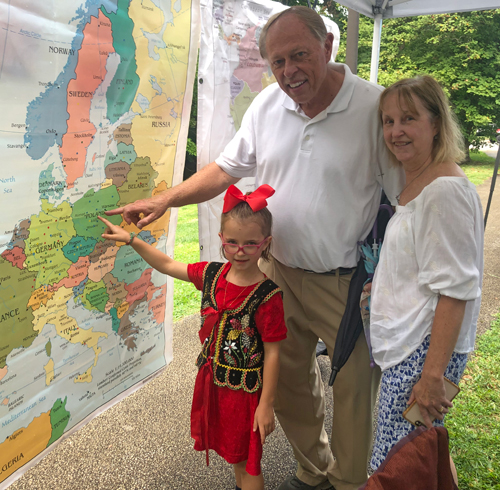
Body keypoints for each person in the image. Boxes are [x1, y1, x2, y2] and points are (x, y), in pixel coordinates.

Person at [106, 6, 404, 490]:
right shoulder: (268, 105)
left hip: (345, 283)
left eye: (299, 55)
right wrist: (164, 199)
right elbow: (224, 170)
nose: (288, 71)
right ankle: (314, 468)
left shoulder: (374, 108)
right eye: (278, 61)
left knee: (351, 392)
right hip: (277, 275)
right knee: (286, 386)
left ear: (328, 47)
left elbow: (404, 197)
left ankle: (349, 482)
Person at [99, 184, 287, 490]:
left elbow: (274, 352)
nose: (240, 251)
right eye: (233, 242)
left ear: (265, 243)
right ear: (221, 240)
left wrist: (267, 405)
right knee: (233, 456)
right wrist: (132, 240)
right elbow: (169, 264)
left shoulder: (267, 296)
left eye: (250, 243)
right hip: (213, 383)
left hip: (245, 393)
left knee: (246, 461)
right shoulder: (211, 274)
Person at [369, 75, 484, 485]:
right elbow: (424, 265)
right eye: (387, 121)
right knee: (423, 452)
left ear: (436, 124)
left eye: (408, 119)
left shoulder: (443, 191)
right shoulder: (418, 180)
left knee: (396, 467)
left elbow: (456, 290)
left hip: (422, 352)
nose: (395, 131)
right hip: (412, 345)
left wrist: (432, 377)